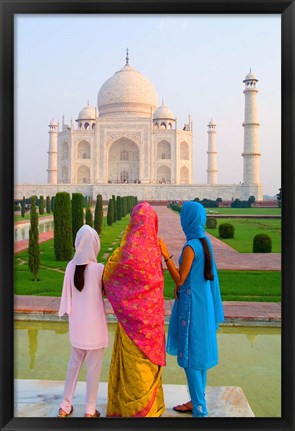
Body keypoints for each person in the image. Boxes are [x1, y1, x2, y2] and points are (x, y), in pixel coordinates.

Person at [158, 201, 224, 418]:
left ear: (187, 220)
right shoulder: (205, 242)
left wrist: (165, 255)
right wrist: (181, 285)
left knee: (191, 361)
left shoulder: (190, 247)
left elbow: (180, 277)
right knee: (200, 356)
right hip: (204, 304)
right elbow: (195, 275)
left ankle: (200, 409)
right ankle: (195, 399)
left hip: (192, 307)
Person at [103, 201, 166, 417]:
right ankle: (149, 409)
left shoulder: (127, 250)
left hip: (131, 323)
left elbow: (110, 274)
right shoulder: (155, 249)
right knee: (145, 365)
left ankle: (127, 408)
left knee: (131, 364)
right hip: (152, 323)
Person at [57, 224, 109, 418]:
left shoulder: (71, 267)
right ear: (94, 245)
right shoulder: (99, 269)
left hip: (77, 327)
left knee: (74, 364)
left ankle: (65, 405)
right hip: (95, 328)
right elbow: (107, 293)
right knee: (93, 369)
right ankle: (89, 409)